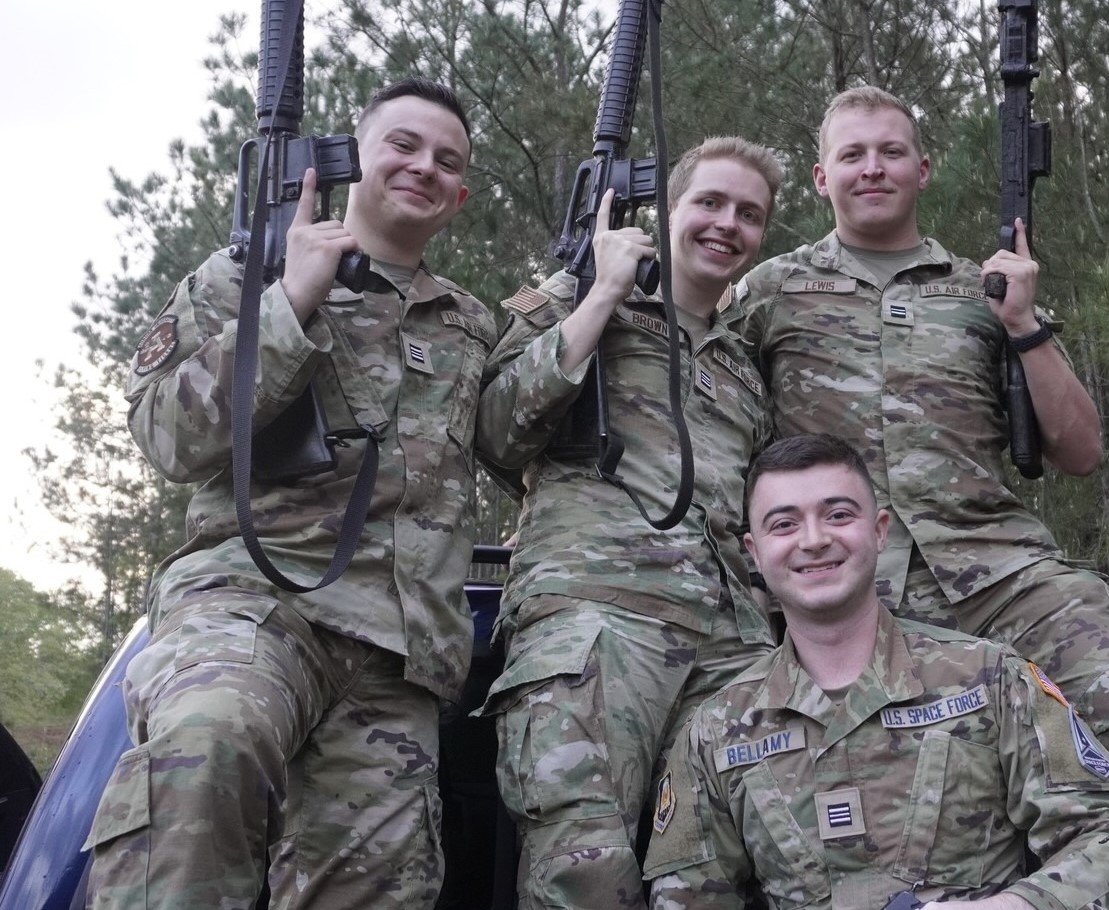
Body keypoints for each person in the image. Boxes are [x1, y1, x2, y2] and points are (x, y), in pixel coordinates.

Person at [736, 86, 1109, 908]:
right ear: (821, 177)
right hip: (850, 593)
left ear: (924, 167)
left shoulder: (982, 290)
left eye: (889, 151)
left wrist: (1024, 326)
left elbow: (1081, 450)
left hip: (1001, 574)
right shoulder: (769, 292)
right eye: (851, 155)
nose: (872, 168)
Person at [84, 78, 496, 909]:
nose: (423, 167)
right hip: (253, 603)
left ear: (457, 196)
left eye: (446, 161)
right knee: (208, 739)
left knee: (378, 888)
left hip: (395, 657)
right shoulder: (243, 274)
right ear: (352, 157)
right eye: (403, 146)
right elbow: (167, 433)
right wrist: (291, 301)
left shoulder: (471, 324)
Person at [644, 433, 1109, 909]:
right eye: (784, 524)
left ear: (879, 532)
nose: (813, 539)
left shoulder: (990, 680)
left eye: (838, 515)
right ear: (754, 554)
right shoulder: (715, 732)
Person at [474, 137, 782, 910]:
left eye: (747, 214)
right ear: (668, 210)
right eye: (708, 203)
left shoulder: (743, 367)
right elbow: (496, 432)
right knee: (586, 868)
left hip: (727, 644)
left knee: (717, 875)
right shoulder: (576, 296)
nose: (726, 225)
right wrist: (603, 295)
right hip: (596, 620)